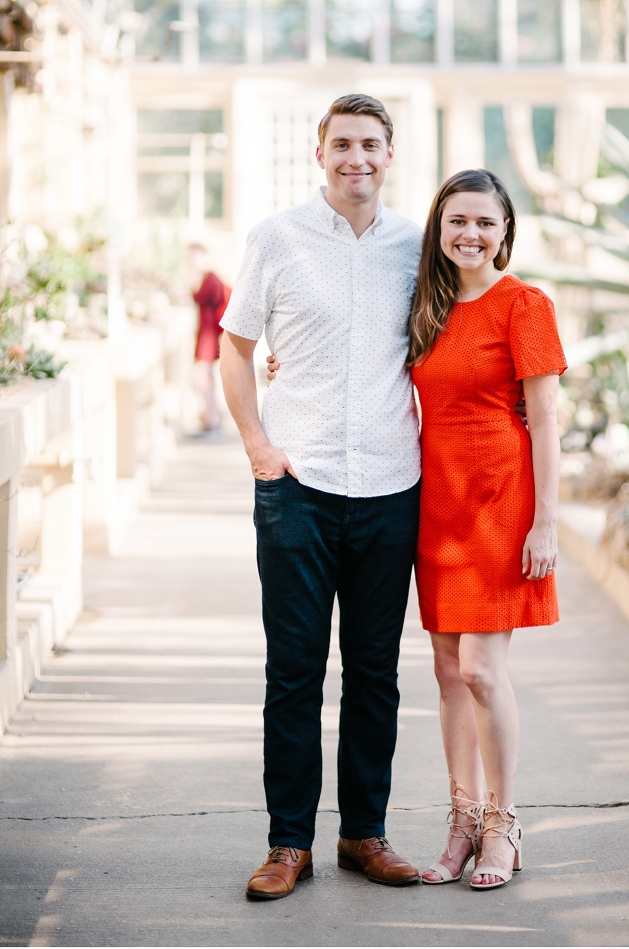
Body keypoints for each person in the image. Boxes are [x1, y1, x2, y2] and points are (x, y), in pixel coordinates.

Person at [219, 95, 424, 901]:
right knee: (295, 672)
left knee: (375, 672)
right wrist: (257, 446)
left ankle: (363, 834)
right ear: (320, 153)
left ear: (390, 152)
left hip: (389, 485)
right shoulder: (276, 239)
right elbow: (236, 352)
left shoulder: (419, 245)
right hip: (297, 488)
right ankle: (287, 844)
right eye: (343, 144)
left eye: (371, 144)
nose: (357, 159)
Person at [408, 169, 566, 891]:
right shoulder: (424, 305)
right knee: (446, 671)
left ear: (505, 233)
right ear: (438, 229)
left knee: (479, 668)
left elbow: (546, 420)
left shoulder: (524, 304)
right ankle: (461, 820)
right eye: (456, 222)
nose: (469, 234)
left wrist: (546, 523)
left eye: (484, 224)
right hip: (436, 507)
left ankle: (503, 823)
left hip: (502, 504)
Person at [188, 243, 228, 433]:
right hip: (206, 333)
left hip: (208, 335)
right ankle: (212, 415)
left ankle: (212, 418)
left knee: (201, 376)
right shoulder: (208, 278)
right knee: (206, 376)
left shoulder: (211, 280)